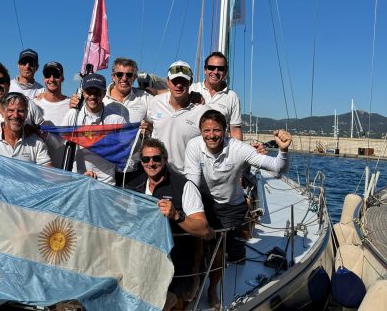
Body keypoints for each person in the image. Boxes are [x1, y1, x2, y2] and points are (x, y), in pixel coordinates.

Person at [184, 109, 292, 307]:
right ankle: (196, 281)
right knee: (198, 246)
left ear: (225, 131)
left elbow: (278, 167)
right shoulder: (193, 146)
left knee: (218, 253)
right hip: (205, 201)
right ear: (200, 131)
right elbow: (192, 181)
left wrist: (283, 150)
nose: (211, 135)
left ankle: (212, 290)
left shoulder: (237, 148)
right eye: (206, 130)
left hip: (230, 207)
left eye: (216, 130)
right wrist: (195, 216)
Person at [124, 138, 214, 309]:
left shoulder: (184, 186)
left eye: (156, 158)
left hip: (176, 266)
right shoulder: (134, 185)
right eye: (146, 159)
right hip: (143, 262)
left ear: (165, 159)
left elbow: (203, 229)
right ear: (141, 162)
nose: (151, 163)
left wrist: (176, 216)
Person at [147, 60, 211, 176]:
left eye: (183, 81)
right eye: (175, 81)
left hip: (188, 176)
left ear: (190, 82)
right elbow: (149, 125)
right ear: (168, 82)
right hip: (157, 173)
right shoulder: (155, 103)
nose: (179, 85)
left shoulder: (203, 111)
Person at [63, 73, 128, 185]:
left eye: (97, 92)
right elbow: (57, 144)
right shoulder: (73, 115)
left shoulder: (117, 120)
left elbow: (126, 152)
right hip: (77, 181)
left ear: (103, 94)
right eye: (89, 92)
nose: (92, 96)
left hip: (106, 184)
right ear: (83, 93)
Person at [103, 57, 152, 185]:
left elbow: (167, 102)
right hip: (105, 170)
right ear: (113, 76)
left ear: (134, 78)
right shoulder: (100, 99)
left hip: (134, 169)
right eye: (119, 74)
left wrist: (149, 129)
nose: (124, 78)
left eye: (129, 75)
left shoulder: (145, 98)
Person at [0, 92, 52, 166]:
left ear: (26, 114)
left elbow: (49, 173)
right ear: (3, 113)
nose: (15, 115)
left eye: (20, 111)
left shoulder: (36, 142)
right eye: (11, 110)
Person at [0, 63, 43, 139]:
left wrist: (34, 130)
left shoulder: (28, 104)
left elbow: (44, 131)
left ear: (8, 84)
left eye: (1, 81)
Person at [190, 52, 243, 140]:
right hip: (192, 150)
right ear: (205, 70)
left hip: (218, 152)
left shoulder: (232, 97)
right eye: (211, 67)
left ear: (225, 72)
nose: (215, 72)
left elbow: (235, 131)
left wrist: (239, 152)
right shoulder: (192, 89)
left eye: (220, 69)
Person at [33, 61, 70, 168]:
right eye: (48, 75)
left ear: (62, 78)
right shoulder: (34, 104)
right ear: (43, 78)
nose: (52, 79)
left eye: (56, 75)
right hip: (40, 171)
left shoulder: (73, 105)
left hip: (66, 171)